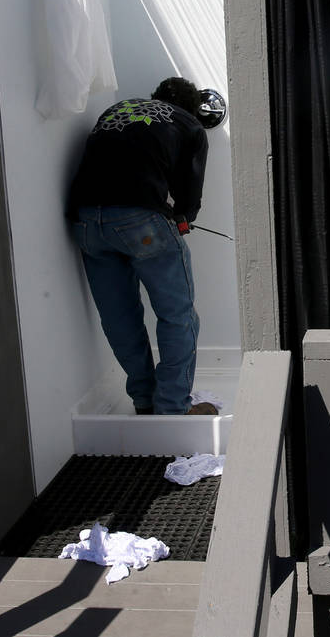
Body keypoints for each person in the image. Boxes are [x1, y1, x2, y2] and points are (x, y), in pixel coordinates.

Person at [67, 77, 214, 416]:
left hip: (86, 221)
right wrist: (183, 219)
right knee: (177, 315)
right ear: (192, 107)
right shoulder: (189, 123)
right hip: (139, 219)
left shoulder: (116, 108)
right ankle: (174, 407)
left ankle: (145, 401)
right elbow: (189, 196)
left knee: (119, 316)